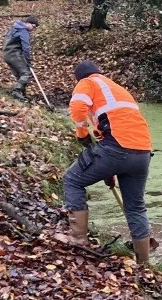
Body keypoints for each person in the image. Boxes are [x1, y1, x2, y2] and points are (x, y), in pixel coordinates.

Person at [59, 61, 154, 264]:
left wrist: (81, 133)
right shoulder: (117, 89)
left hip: (116, 148)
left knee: (72, 180)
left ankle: (78, 239)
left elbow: (77, 108)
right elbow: (117, 126)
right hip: (142, 153)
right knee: (136, 207)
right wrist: (108, 172)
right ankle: (144, 262)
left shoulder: (88, 83)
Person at [1, 16, 37, 100]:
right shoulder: (24, 31)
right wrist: (28, 61)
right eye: (33, 26)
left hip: (6, 54)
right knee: (26, 73)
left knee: (19, 75)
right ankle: (16, 91)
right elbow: (26, 48)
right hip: (14, 54)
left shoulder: (14, 28)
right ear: (28, 23)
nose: (33, 29)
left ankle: (22, 95)